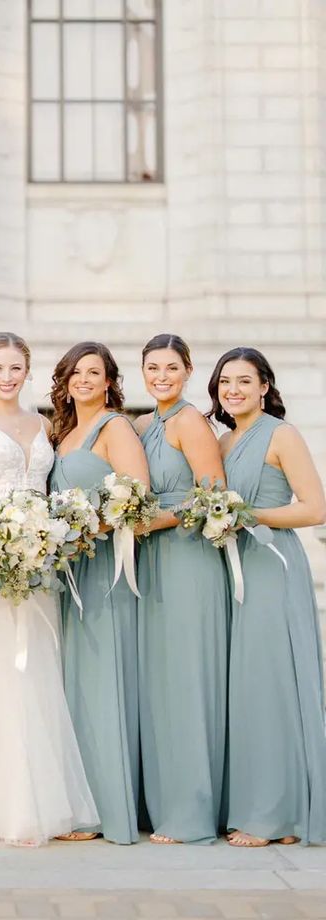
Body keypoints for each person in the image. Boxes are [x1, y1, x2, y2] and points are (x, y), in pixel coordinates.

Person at [0, 332, 98, 845]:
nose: (6, 378)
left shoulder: (42, 424)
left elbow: (45, 489)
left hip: (38, 564)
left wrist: (38, 535)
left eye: (15, 369)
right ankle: (1, 810)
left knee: (37, 675)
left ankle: (43, 803)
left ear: (27, 371)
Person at [209, 347, 326, 847]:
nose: (233, 390)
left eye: (243, 381)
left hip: (273, 567)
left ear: (264, 386)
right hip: (233, 570)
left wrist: (249, 514)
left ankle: (275, 816)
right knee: (245, 689)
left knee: (271, 684)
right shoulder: (223, 439)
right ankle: (255, 802)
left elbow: (315, 508)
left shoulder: (282, 434)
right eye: (224, 382)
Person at [49, 341, 148, 845]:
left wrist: (91, 529)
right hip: (67, 573)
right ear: (64, 382)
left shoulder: (115, 427)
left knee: (100, 679)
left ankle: (109, 809)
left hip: (103, 566)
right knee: (72, 684)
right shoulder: (62, 435)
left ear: (109, 380)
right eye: (75, 373)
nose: (84, 380)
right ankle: (77, 803)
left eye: (94, 372)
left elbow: (138, 496)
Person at [134, 334, 229, 844]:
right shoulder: (149, 425)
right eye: (153, 368)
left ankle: (191, 813)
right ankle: (163, 799)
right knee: (163, 684)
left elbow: (211, 495)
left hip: (188, 557)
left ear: (188, 370)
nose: (162, 376)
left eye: (171, 367)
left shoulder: (191, 421)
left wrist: (151, 524)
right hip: (153, 561)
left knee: (187, 682)